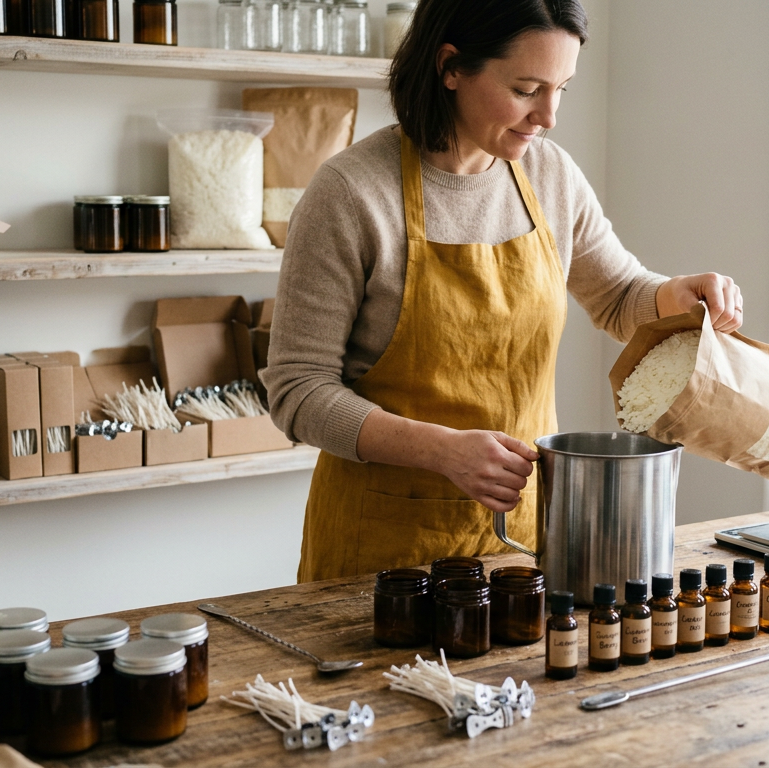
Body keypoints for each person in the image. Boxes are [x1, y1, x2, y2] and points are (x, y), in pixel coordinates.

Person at [262, 0, 744, 582]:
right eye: (526, 89)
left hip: (522, 544)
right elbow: (297, 391)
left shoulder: (550, 176)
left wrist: (674, 295)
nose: (549, 115)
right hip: (381, 556)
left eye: (561, 88)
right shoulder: (351, 193)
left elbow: (617, 294)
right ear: (452, 67)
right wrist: (442, 450)